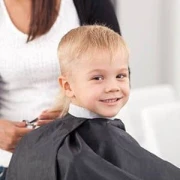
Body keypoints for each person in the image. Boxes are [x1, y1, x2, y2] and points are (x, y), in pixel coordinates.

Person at [6, 25, 180, 180]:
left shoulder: (37, 139)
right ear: (67, 86)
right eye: (98, 78)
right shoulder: (89, 145)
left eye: (120, 75)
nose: (113, 87)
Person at [0, 0, 120, 175]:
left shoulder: (89, 4)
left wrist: (78, 110)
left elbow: (118, 76)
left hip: (81, 158)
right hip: (9, 163)